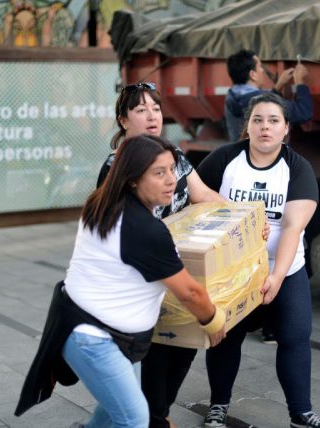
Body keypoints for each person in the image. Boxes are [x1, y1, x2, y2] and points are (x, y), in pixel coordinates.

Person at [15, 135, 226, 427]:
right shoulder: (142, 228)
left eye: (172, 169)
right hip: (93, 337)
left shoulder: (104, 204)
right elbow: (190, 293)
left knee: (112, 412)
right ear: (132, 180)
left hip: (104, 332)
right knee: (134, 419)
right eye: (159, 172)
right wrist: (214, 323)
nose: (172, 179)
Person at [197, 93, 320, 428]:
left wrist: (276, 276)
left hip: (284, 269)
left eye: (273, 121)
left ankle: (301, 414)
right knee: (225, 336)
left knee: (294, 336)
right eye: (257, 120)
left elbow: (292, 227)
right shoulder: (224, 160)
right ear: (246, 126)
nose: (265, 127)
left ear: (286, 129)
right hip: (233, 271)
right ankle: (218, 406)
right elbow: (195, 199)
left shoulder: (297, 168)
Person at [96, 82, 226, 428]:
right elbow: (113, 230)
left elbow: (203, 195)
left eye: (155, 107)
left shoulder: (176, 157)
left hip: (181, 271)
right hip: (142, 282)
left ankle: (156, 413)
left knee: (183, 347)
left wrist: (246, 219)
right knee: (154, 355)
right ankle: (155, 417)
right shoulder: (117, 169)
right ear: (124, 120)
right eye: (141, 109)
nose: (152, 115)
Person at [224, 49, 313, 143]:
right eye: (259, 66)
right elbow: (303, 112)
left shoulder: (231, 95)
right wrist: (300, 82)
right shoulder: (261, 101)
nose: (262, 70)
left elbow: (261, 101)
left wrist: (278, 86)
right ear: (252, 75)